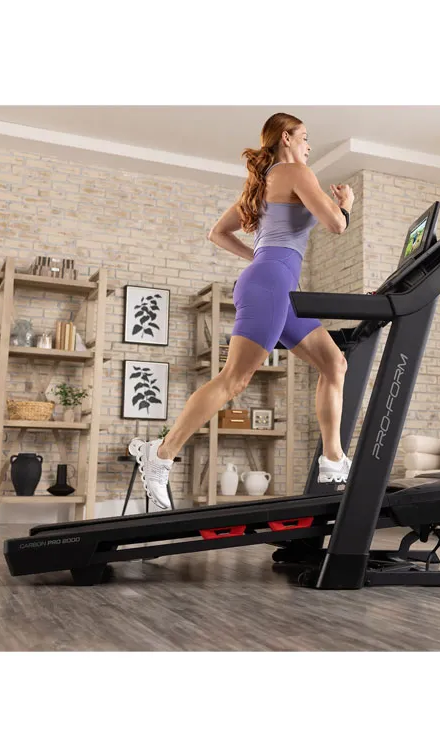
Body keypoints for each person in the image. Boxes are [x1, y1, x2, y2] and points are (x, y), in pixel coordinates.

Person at [129, 112, 355, 509]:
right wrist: (346, 205)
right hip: (271, 284)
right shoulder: (296, 172)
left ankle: (333, 460)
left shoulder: (262, 184)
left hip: (277, 285)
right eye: (304, 137)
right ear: (286, 138)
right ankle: (161, 454)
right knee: (234, 379)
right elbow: (337, 225)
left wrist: (262, 261)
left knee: (334, 363)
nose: (309, 145)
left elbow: (217, 233)